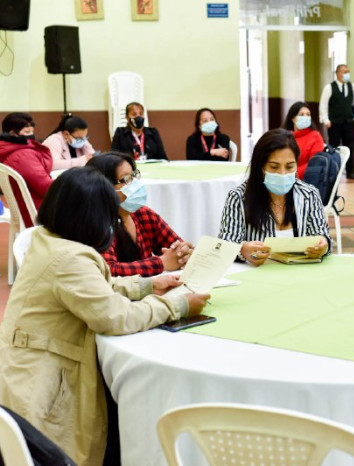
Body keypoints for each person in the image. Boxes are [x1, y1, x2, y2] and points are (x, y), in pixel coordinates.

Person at [0, 167, 209, 465]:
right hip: (41, 387)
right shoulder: (70, 258)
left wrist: (148, 284)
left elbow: (96, 288)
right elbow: (114, 317)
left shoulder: (49, 239)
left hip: (23, 365)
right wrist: (178, 306)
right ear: (91, 218)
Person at [219, 129, 331, 265]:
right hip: (257, 276)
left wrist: (323, 245)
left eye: (290, 167)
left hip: (300, 276)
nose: (282, 173)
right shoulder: (238, 198)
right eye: (274, 167)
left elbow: (322, 235)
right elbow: (225, 246)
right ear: (260, 167)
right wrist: (242, 250)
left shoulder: (309, 195)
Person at [87, 152, 193, 277]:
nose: (135, 183)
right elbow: (108, 270)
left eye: (134, 175)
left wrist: (183, 253)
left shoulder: (143, 214)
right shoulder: (98, 224)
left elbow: (175, 247)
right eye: (126, 179)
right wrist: (161, 263)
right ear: (104, 187)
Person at [0, 112, 53, 226]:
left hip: (25, 206)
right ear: (13, 133)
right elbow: (46, 187)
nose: (31, 135)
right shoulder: (23, 155)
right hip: (37, 209)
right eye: (27, 132)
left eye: (32, 131)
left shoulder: (6, 148)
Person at [319, 64, 354, 179]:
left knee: (350, 146)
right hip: (334, 123)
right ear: (338, 73)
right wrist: (326, 120)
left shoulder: (352, 86)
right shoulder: (329, 87)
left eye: (348, 71)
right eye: (344, 71)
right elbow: (323, 105)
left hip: (348, 122)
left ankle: (350, 171)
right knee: (334, 147)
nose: (347, 74)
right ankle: (334, 171)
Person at [282, 101, 325, 179]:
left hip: (303, 179)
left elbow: (314, 163)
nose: (305, 117)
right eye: (301, 114)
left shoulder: (315, 136)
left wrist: (293, 174)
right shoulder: (285, 136)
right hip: (283, 175)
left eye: (308, 114)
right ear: (292, 118)